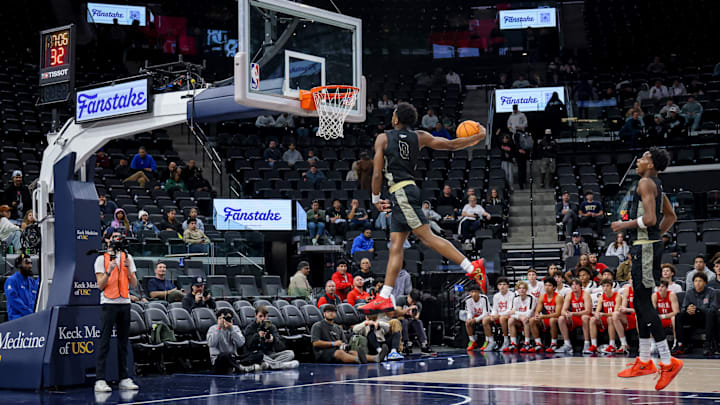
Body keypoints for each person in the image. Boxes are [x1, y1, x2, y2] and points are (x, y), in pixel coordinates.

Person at [359, 103, 485, 314]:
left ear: (396, 119)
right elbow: (452, 145)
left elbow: (377, 174)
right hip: (406, 190)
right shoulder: (420, 136)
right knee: (395, 244)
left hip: (400, 192)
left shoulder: (383, 138)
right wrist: (477, 137)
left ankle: (472, 267)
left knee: (426, 237)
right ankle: (384, 297)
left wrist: (374, 198)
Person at [611, 148, 681, 390]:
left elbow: (651, 219)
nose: (638, 161)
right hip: (646, 246)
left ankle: (666, 361)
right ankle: (643, 360)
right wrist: (654, 238)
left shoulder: (645, 182)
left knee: (643, 304)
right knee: (640, 302)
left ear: (650, 164)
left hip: (645, 248)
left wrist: (624, 224)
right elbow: (670, 217)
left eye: (643, 157)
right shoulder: (655, 184)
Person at [93, 231, 139, 392]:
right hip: (109, 303)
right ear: (107, 240)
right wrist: (109, 270)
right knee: (105, 341)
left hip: (125, 302)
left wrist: (128, 268)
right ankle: (100, 379)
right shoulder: (101, 259)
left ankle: (124, 378)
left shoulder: (128, 257)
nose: (117, 240)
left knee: (123, 342)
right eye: (114, 237)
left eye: (119, 237)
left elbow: (133, 284)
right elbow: (100, 285)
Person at [311, 304, 385, 363]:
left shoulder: (338, 328)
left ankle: (376, 358)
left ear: (336, 314)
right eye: (328, 312)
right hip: (322, 352)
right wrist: (333, 343)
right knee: (340, 353)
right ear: (324, 314)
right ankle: (358, 360)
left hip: (336, 350)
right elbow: (315, 343)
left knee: (352, 352)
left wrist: (343, 345)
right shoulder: (317, 326)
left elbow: (344, 342)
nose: (331, 313)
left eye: (333, 312)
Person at [672, 273, 718, 356]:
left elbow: (713, 308)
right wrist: (688, 310)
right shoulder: (689, 292)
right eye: (696, 281)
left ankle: (708, 345)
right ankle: (680, 344)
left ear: (705, 282)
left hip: (706, 319)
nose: (697, 283)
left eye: (700, 281)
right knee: (679, 315)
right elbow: (683, 308)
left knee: (710, 314)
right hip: (693, 317)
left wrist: (698, 309)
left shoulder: (711, 292)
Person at [208, 308, 257, 374]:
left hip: (234, 357)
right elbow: (211, 344)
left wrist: (231, 329)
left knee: (258, 354)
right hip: (219, 359)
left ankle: (235, 366)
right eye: (221, 318)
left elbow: (241, 343)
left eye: (227, 318)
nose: (224, 320)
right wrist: (219, 328)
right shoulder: (213, 329)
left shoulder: (235, 328)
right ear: (218, 319)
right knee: (225, 355)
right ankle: (241, 367)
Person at [556, 278, 592, 354]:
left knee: (584, 317)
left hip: (586, 317)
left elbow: (588, 311)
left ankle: (587, 344)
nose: (574, 286)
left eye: (576, 284)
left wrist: (573, 313)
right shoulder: (569, 295)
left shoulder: (585, 294)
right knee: (561, 318)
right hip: (575, 317)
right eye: (572, 285)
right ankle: (567, 344)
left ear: (580, 286)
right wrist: (566, 314)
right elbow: (563, 310)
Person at [586, 279, 621, 354]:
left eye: (607, 286)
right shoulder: (601, 297)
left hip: (616, 319)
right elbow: (597, 310)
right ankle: (594, 345)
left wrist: (603, 314)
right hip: (606, 317)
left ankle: (612, 345)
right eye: (603, 286)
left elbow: (615, 312)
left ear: (611, 287)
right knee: (592, 319)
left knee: (610, 318)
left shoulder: (617, 296)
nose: (605, 288)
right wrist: (597, 314)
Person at [529, 277, 564, 353]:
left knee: (552, 320)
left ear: (554, 287)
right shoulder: (542, 296)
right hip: (547, 317)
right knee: (532, 320)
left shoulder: (558, 297)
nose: (547, 287)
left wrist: (543, 316)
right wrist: (537, 316)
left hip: (558, 319)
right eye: (545, 285)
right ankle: (538, 343)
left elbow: (558, 314)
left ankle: (554, 343)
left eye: (549, 285)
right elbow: (538, 310)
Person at [481, 278, 515, 351]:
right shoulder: (496, 296)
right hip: (499, 315)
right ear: (497, 286)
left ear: (508, 286)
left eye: (504, 284)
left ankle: (506, 340)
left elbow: (510, 309)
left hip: (509, 315)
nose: (502, 286)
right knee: (485, 320)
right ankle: (491, 342)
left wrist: (498, 315)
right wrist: (493, 315)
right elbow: (494, 308)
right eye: (500, 285)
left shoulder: (512, 295)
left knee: (502, 318)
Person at [397, 290, 432, 354]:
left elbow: (416, 317)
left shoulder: (418, 304)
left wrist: (413, 314)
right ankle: (405, 343)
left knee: (418, 322)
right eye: (412, 301)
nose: (412, 303)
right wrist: (408, 309)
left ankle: (424, 343)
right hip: (400, 321)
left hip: (410, 321)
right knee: (404, 321)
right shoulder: (401, 299)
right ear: (409, 296)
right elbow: (397, 313)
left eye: (414, 302)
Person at [4, 254, 37, 320]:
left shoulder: (32, 281)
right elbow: (14, 300)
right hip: (17, 320)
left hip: (31, 318)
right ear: (19, 265)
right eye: (27, 263)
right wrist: (30, 313)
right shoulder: (12, 281)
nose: (30, 266)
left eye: (31, 263)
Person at [506, 281, 537, 352]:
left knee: (525, 319)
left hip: (532, 320)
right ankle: (513, 343)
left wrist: (516, 312)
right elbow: (510, 313)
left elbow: (528, 314)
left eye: (523, 288)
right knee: (510, 320)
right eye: (519, 288)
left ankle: (527, 342)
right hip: (520, 319)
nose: (521, 290)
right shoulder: (516, 298)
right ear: (517, 290)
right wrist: (519, 316)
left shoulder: (532, 298)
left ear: (526, 289)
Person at [652, 280, 680, 351]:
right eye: (658, 287)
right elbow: (653, 312)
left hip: (669, 319)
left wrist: (663, 316)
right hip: (660, 319)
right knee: (650, 318)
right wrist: (657, 317)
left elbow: (676, 312)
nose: (660, 289)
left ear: (667, 288)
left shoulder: (671, 295)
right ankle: (653, 343)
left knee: (674, 319)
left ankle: (675, 342)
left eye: (662, 287)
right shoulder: (655, 296)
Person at [464, 284, 490, 351]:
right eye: (472, 292)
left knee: (485, 320)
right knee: (467, 322)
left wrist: (476, 319)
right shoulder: (468, 299)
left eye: (476, 292)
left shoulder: (484, 298)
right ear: (469, 293)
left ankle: (487, 341)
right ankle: (472, 341)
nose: (474, 293)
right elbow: (469, 312)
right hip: (476, 316)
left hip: (486, 315)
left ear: (479, 292)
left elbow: (486, 312)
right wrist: (470, 318)